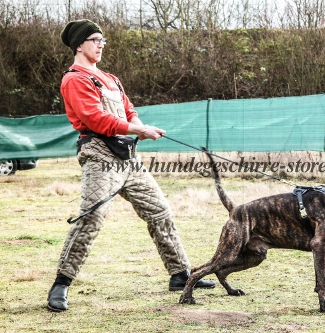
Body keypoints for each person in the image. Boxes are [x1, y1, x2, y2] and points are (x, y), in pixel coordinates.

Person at [47, 19, 215, 312]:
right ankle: (61, 284)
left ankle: (180, 274)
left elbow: (128, 110)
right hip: (100, 158)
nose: (101, 44)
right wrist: (138, 130)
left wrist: (140, 125)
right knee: (91, 218)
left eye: (103, 40)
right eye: (95, 39)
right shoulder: (74, 79)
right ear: (79, 44)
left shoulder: (110, 78)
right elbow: (95, 119)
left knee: (160, 212)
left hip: (129, 160)